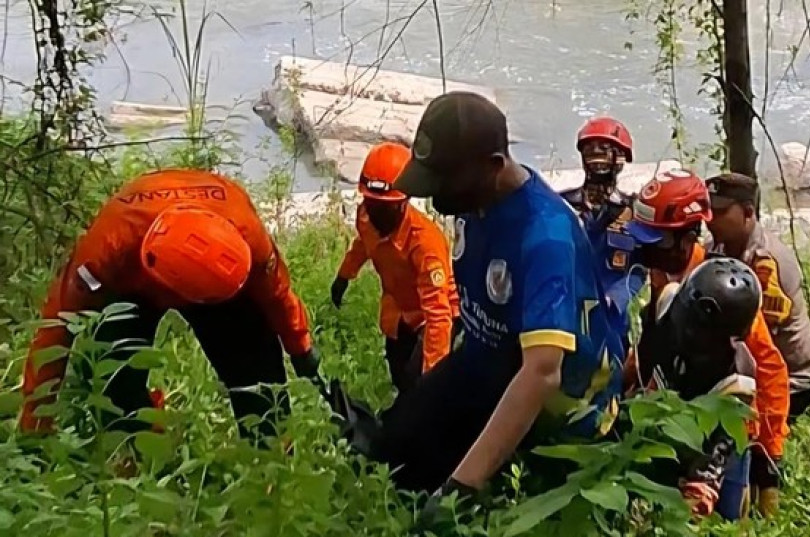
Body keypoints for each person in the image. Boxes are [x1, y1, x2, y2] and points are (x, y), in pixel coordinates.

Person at [369, 91, 625, 497]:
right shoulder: (477, 203)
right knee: (392, 452)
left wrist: (462, 485)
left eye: (443, 183)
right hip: (488, 358)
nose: (435, 197)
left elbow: (542, 373)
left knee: (454, 492)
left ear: (492, 166)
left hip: (559, 406)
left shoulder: (545, 237)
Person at [19, 169, 321, 441]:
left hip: (220, 274)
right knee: (113, 375)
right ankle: (138, 449)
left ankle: (270, 459)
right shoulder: (107, 250)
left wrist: (301, 347)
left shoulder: (250, 241)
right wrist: (35, 424)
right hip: (133, 282)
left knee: (260, 376)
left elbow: (278, 295)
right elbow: (57, 326)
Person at [624, 168, 791, 519]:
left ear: (686, 239)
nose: (646, 250)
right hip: (671, 416)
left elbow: (768, 369)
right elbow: (657, 342)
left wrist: (769, 458)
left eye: (656, 241)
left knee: (725, 522)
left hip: (725, 427)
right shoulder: (661, 274)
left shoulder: (722, 294)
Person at [634, 256, 762, 519]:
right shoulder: (665, 304)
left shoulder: (737, 379)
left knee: (726, 516)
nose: (690, 334)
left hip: (712, 441)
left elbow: (710, 471)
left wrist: (678, 521)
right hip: (658, 419)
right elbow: (638, 359)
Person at [330, 142, 460, 392]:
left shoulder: (425, 243)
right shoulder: (366, 217)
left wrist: (432, 380)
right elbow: (362, 244)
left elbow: (438, 313)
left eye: (385, 207)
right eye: (372, 203)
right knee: (399, 376)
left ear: (404, 202)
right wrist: (344, 276)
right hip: (399, 309)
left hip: (433, 315)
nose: (376, 213)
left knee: (420, 381)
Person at [704, 173, 810, 422]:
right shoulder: (717, 246)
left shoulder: (768, 263)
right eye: (709, 210)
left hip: (789, 381)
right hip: (748, 367)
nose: (710, 219)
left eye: (720, 212)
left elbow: (760, 341)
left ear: (748, 212)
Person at [558, 117, 657, 349]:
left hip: (611, 321)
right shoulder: (562, 206)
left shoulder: (634, 213)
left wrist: (616, 299)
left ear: (622, 159)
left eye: (605, 150)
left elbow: (639, 269)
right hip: (564, 312)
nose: (596, 156)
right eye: (590, 149)